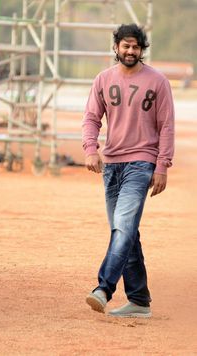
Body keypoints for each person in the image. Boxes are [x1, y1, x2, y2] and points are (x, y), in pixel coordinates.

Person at [82, 23, 174, 318]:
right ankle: (139, 300)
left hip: (142, 162)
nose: (130, 51)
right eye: (126, 46)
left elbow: (167, 126)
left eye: (136, 47)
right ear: (116, 48)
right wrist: (90, 150)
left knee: (123, 226)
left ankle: (103, 288)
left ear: (142, 50)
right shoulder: (103, 80)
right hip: (112, 165)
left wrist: (162, 166)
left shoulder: (158, 82)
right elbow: (91, 118)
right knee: (125, 232)